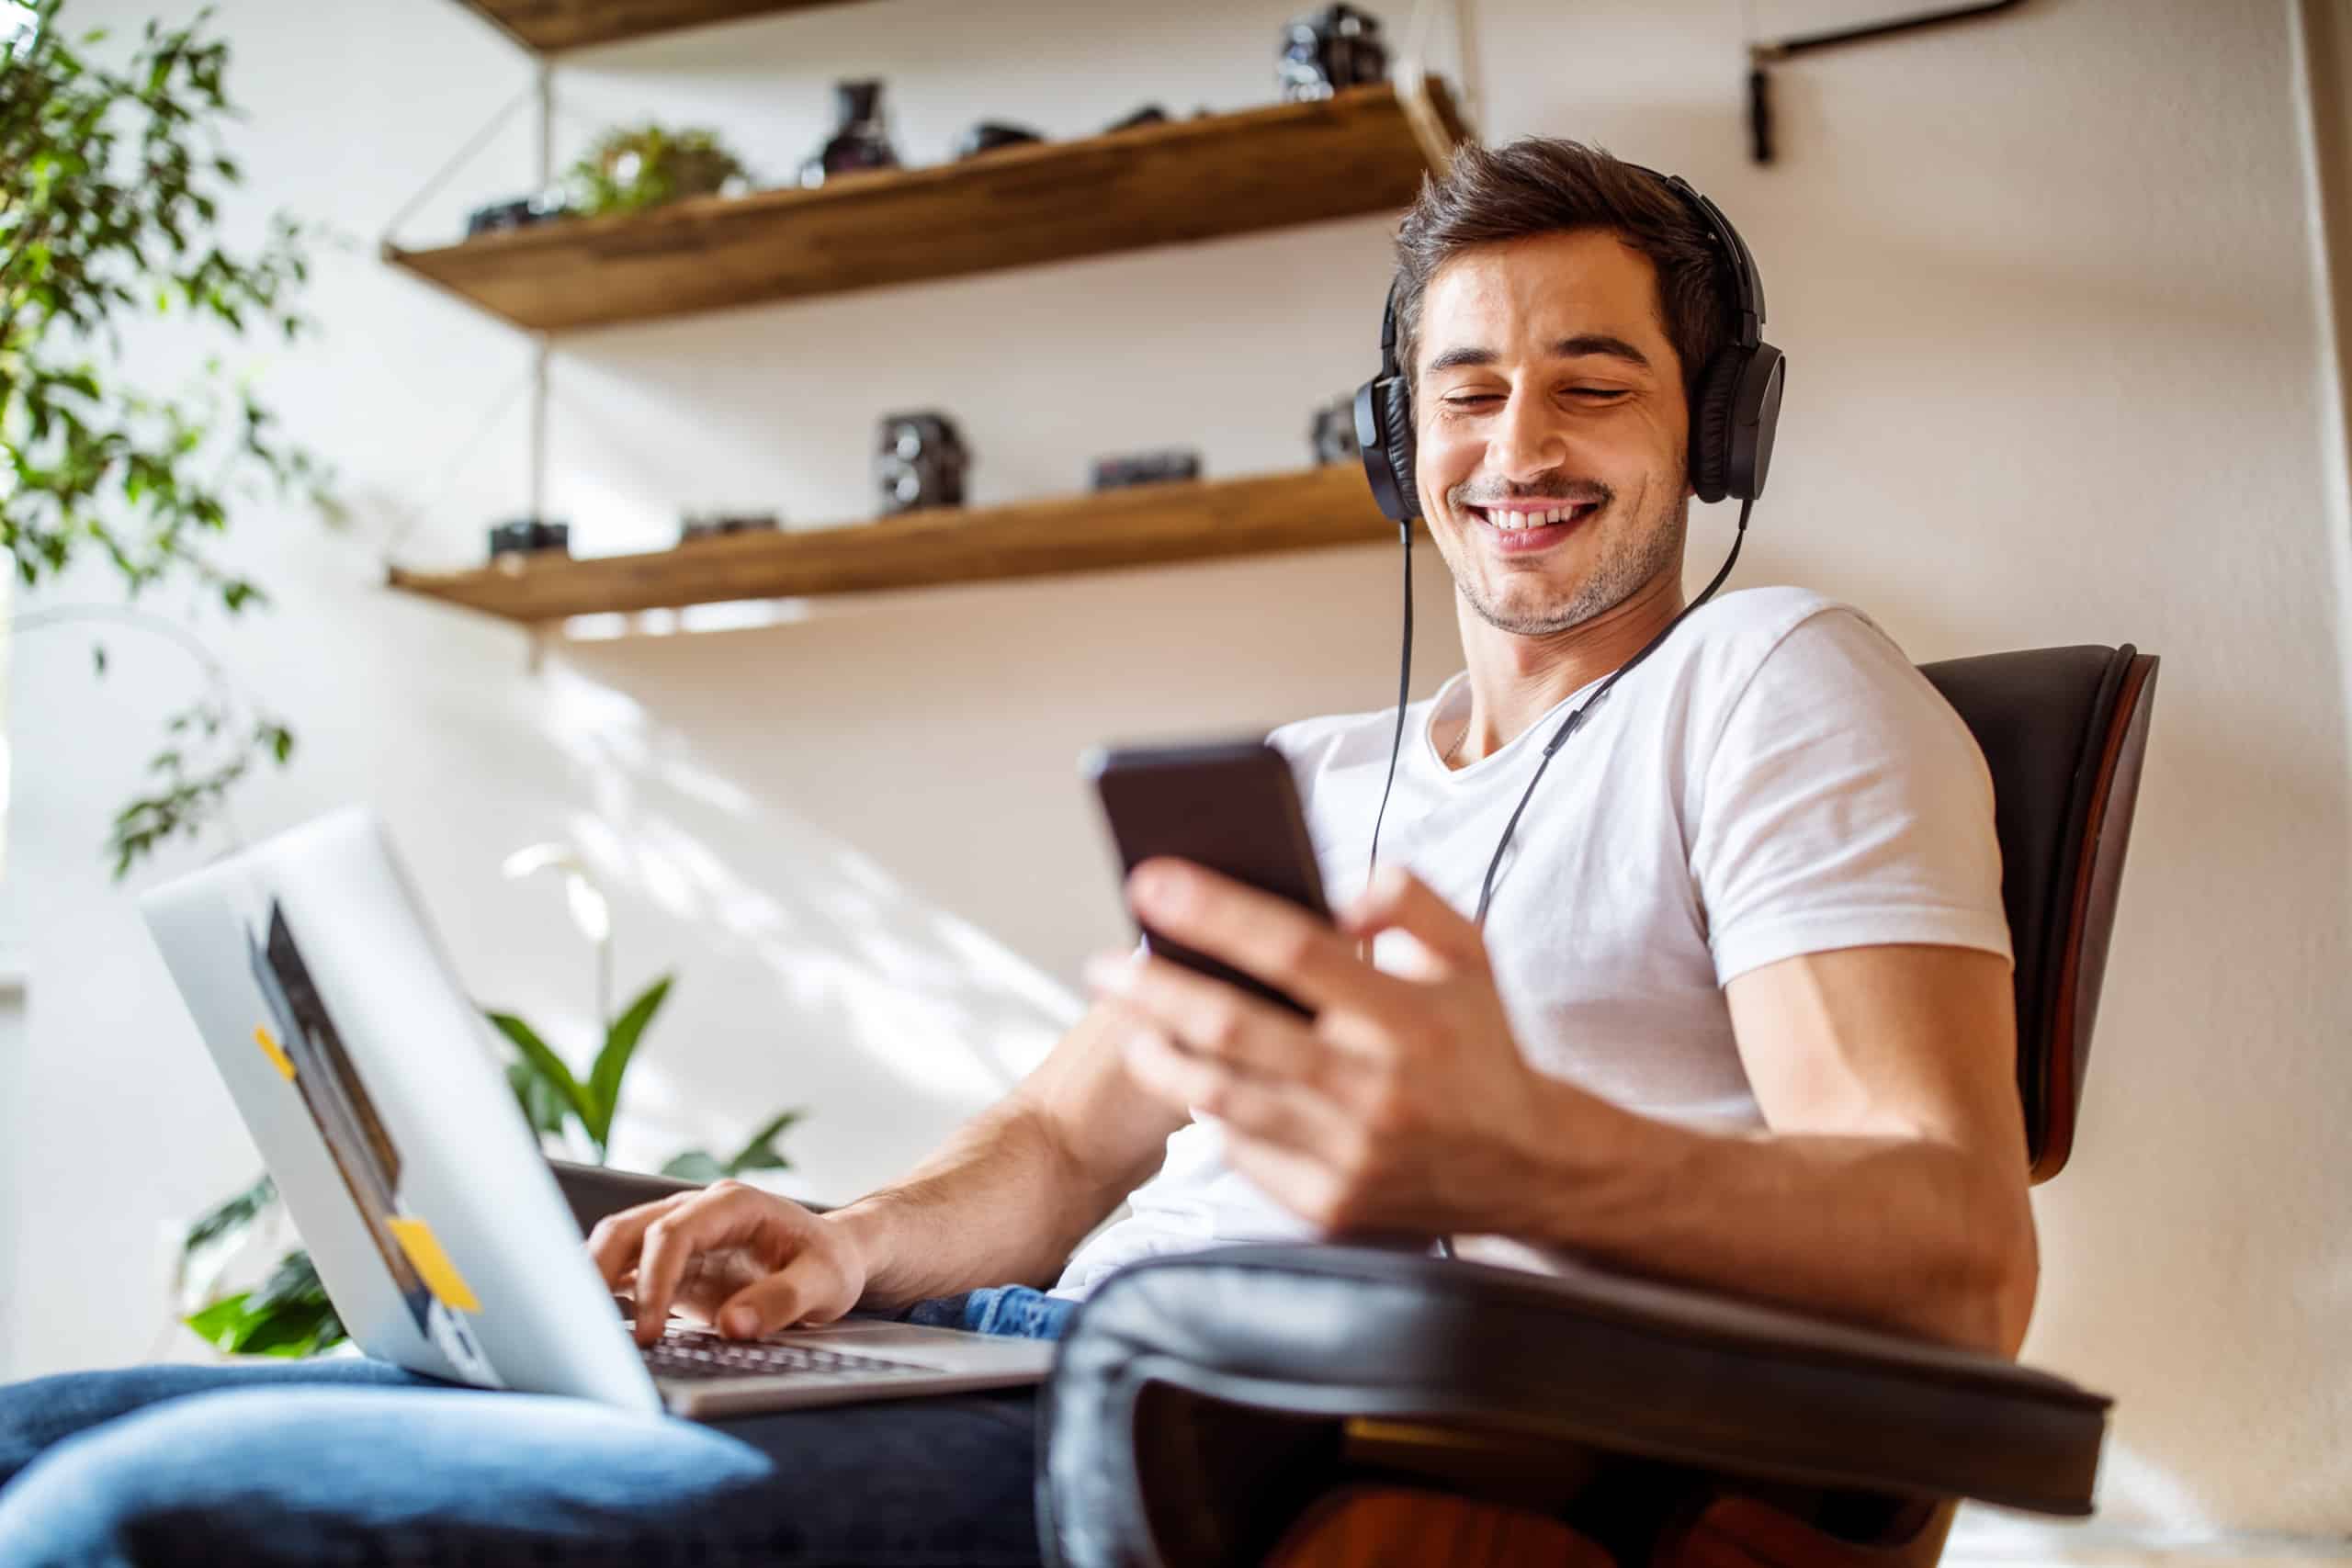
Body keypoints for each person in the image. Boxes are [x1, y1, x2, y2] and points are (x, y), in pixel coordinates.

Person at [0, 137, 2033, 1567]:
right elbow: (1066, 1149)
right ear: (1387, 442)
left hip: (1320, 1457)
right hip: (1030, 1359)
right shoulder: (1307, 773)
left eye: (1593, 382)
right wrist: (854, 1243)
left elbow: (1955, 1242)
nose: (1515, 449)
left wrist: (1510, 1156)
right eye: (1465, 390)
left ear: (1719, 431)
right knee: (32, 1444)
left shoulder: (1775, 682)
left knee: (125, 1523)